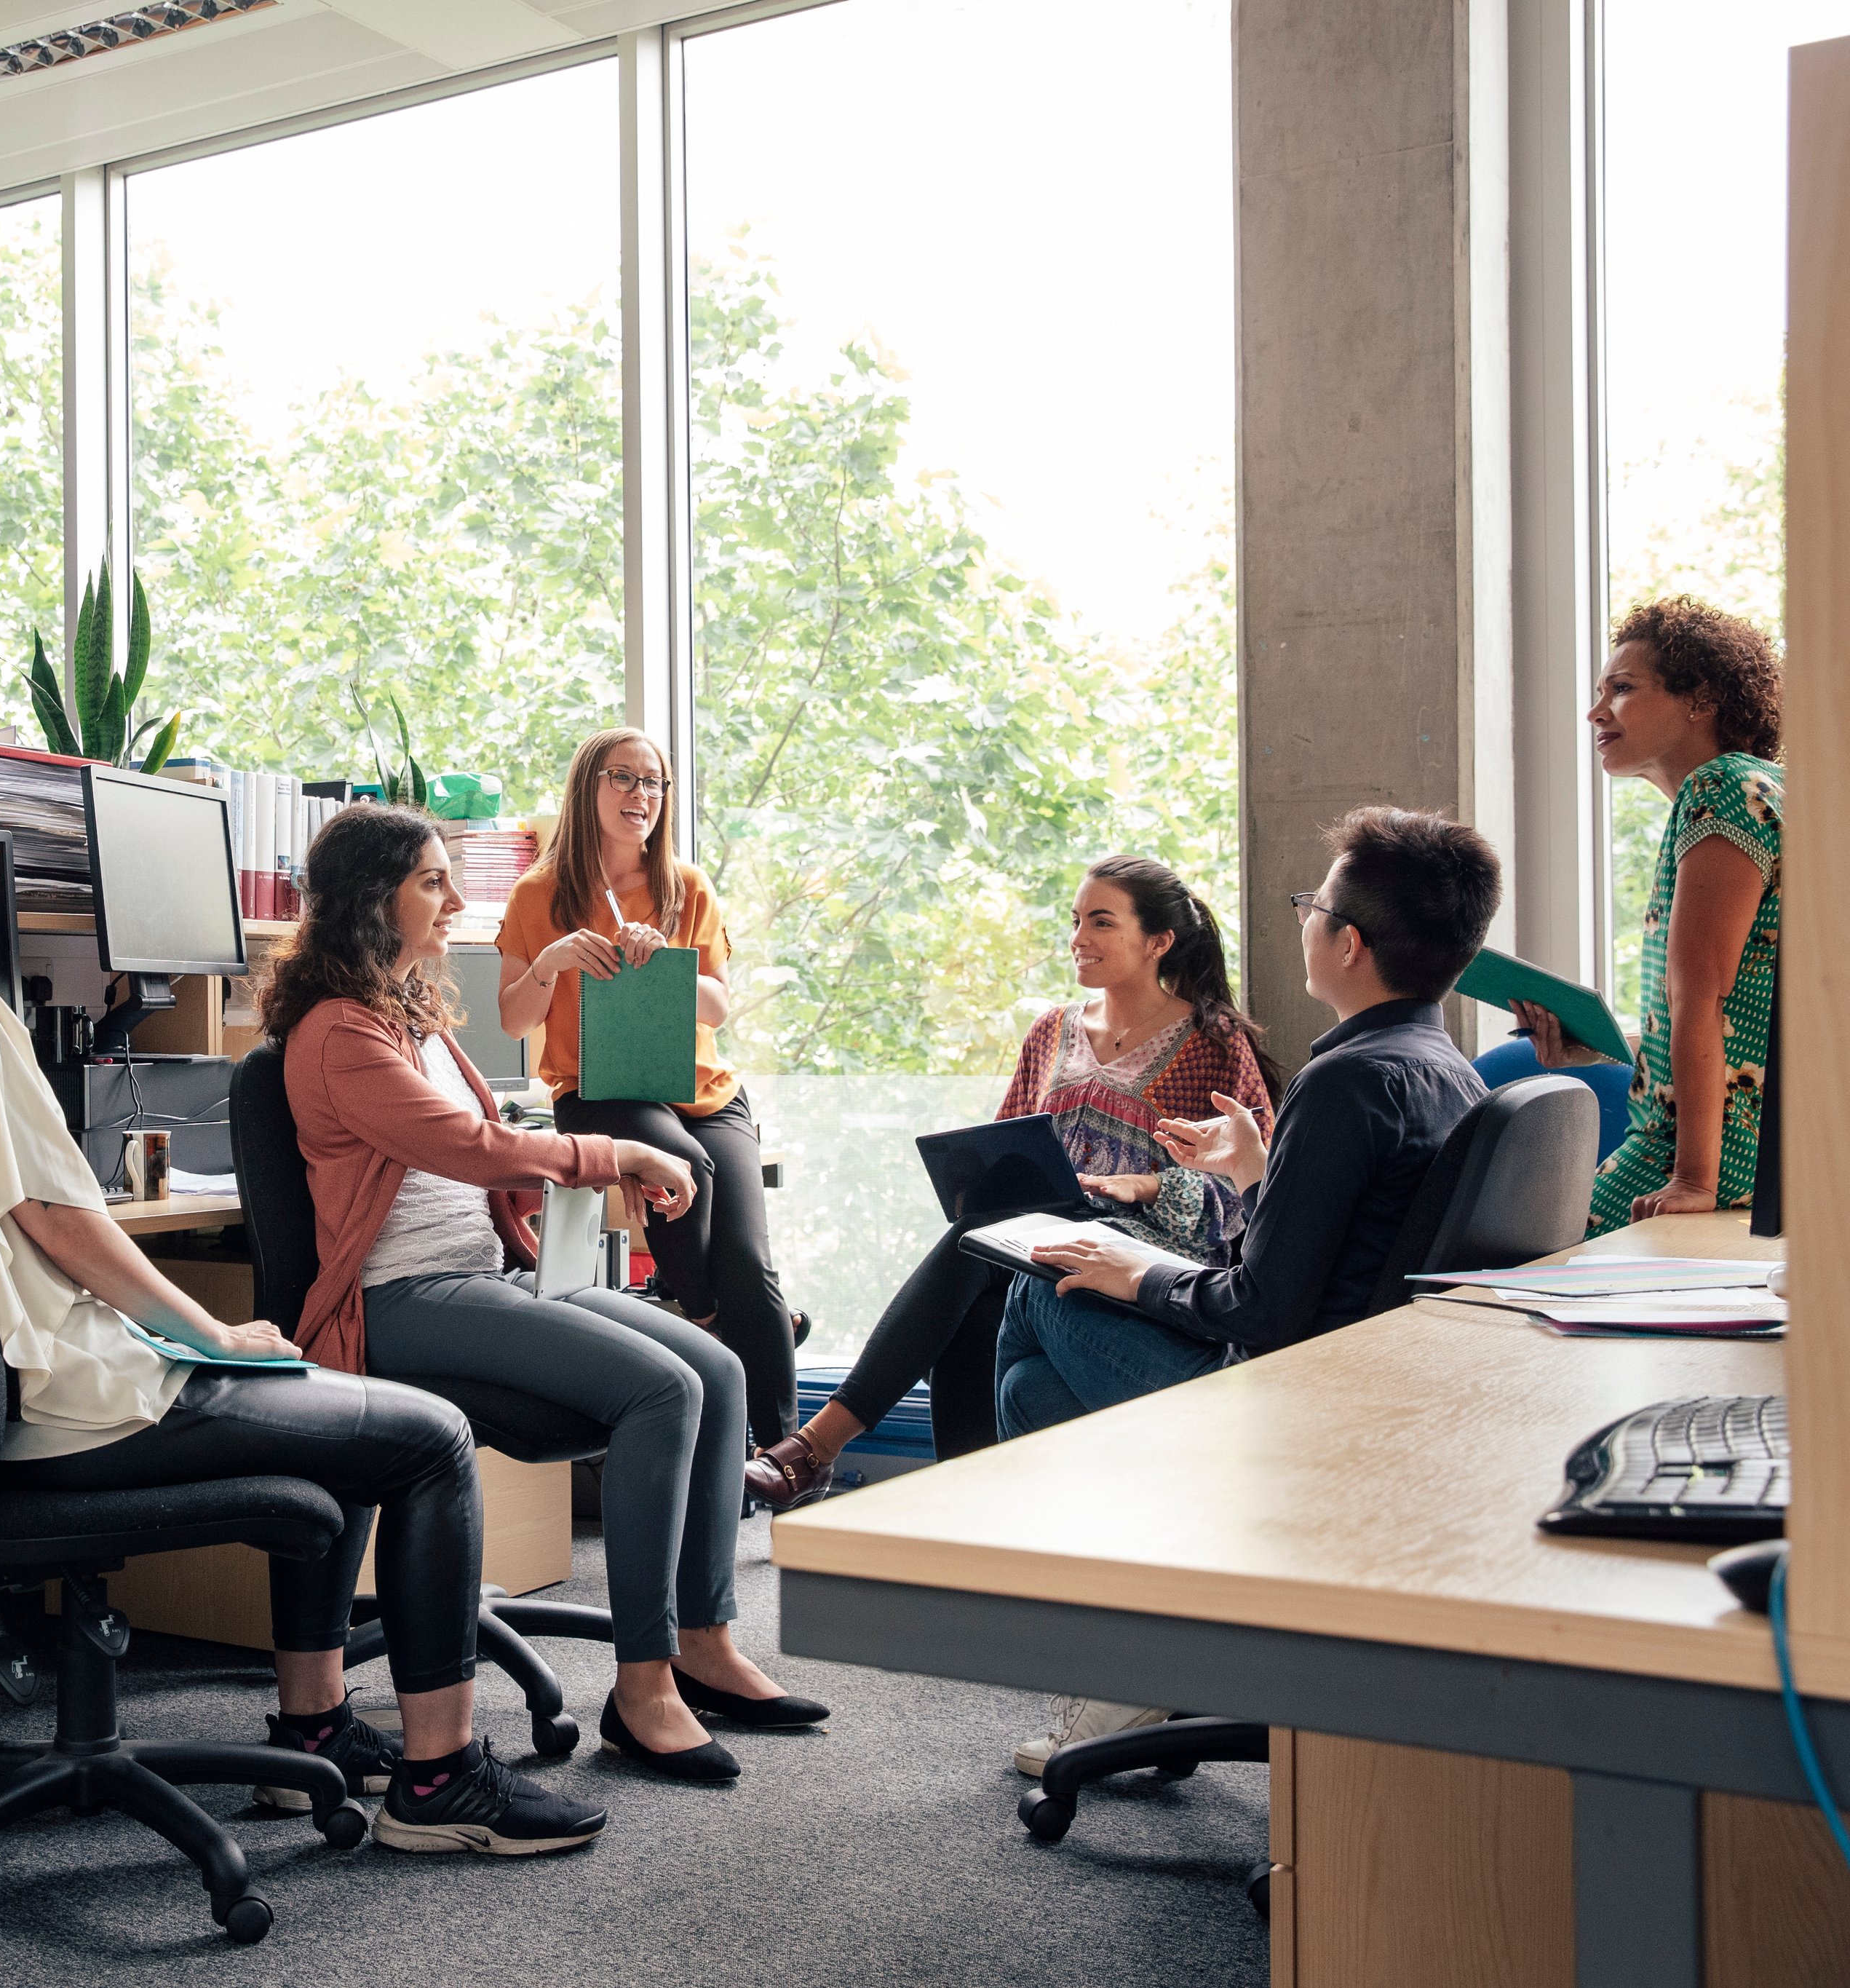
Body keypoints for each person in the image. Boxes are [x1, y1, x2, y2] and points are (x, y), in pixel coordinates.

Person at [0, 750, 606, 1858]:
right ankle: (441, 1778)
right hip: (70, 1398)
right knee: (426, 1436)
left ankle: (313, 1725)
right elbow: (60, 1220)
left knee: (326, 1404)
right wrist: (213, 1332)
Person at [274, 801, 828, 1784]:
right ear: (372, 901)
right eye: (431, 882)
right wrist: (606, 1149)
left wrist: (561, 1173)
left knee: (715, 1364)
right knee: (662, 1390)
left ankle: (703, 1640)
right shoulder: (337, 1032)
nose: (454, 902)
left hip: (482, 1273)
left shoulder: (415, 1017)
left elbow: (481, 1159)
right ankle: (643, 1684)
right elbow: (469, 1147)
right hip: (401, 1298)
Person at [996, 805, 1498, 1773]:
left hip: (1291, 1415)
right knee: (1031, 1393)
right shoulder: (1442, 1069)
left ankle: (1124, 1659)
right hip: (1376, 1399)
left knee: (1038, 1292)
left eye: (1315, 905)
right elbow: (1337, 1255)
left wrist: (1141, 1268)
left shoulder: (1346, 1080)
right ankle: (1147, 1654)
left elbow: (1259, 1308)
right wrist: (1258, 1173)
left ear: (1347, 941)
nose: (1306, 917)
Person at [744, 855, 1277, 1511]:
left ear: (1158, 940)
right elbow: (1009, 1143)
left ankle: (819, 1447)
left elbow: (1257, 1192)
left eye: (1101, 922)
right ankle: (963, 1517)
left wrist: (1147, 1185)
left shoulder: (1211, 1040)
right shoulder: (1051, 1030)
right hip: (1038, 1252)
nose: (1079, 937)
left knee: (976, 1247)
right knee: (978, 1275)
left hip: (1138, 1269)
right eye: (1075, 920)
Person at [496, 727, 799, 1457]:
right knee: (685, 1167)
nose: (641, 796)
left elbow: (718, 1008)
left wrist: (668, 965)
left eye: (653, 783)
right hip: (599, 1088)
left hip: (701, 1092)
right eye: (623, 778)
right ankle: (702, 1319)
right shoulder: (540, 893)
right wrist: (552, 959)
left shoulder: (684, 887)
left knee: (747, 1262)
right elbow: (514, 1015)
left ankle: (782, 1457)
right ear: (588, 786)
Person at [1512, 597, 1782, 1232]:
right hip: (1757, 1145)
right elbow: (1744, 1015)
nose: (1595, 711)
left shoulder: (1720, 791)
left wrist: (1692, 1180)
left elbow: (1703, 999)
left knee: (1493, 1265)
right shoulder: (1761, 786)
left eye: (1622, 689)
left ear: (1701, 699)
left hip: (1704, 1157)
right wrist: (1600, 1047)